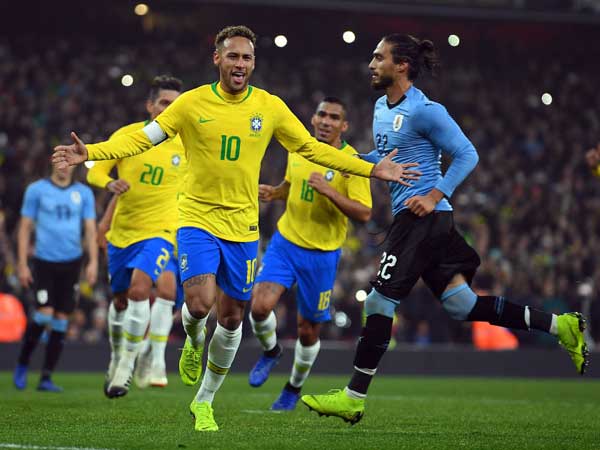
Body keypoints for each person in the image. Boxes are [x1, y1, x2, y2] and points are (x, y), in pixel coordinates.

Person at [52, 25, 420, 432]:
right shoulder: (191, 104)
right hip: (196, 219)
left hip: (243, 228)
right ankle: (192, 340)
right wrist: (93, 153)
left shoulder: (270, 107)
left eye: (246, 58)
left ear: (253, 63)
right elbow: (143, 139)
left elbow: (312, 149)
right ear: (217, 59)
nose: (240, 64)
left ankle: (204, 402)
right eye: (232, 56)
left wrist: (372, 168)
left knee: (231, 319)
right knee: (198, 305)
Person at [301, 34, 590, 425]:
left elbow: (468, 153)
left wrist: (435, 194)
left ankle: (353, 397)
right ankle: (562, 325)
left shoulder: (427, 110)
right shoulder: (379, 107)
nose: (370, 64)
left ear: (401, 65)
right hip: (422, 220)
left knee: (377, 303)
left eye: (378, 57)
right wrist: (350, 157)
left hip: (424, 217)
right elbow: (384, 160)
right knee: (462, 305)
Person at [248, 97, 373, 410]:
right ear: (313, 119)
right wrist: (275, 193)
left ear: (343, 126)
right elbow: (292, 185)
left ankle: (294, 386)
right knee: (260, 308)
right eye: (322, 114)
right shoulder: (299, 147)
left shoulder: (350, 163)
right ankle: (271, 350)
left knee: (308, 330)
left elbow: (364, 213)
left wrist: (329, 191)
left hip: (321, 255)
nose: (326, 121)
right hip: (286, 242)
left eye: (334, 117)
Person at [87, 75, 186, 397]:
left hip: (162, 232)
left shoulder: (187, 143)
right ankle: (118, 357)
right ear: (150, 105)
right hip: (123, 233)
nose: (169, 110)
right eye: (164, 103)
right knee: (119, 300)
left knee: (141, 289)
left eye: (175, 105)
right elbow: (95, 169)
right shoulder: (129, 136)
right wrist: (109, 184)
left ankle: (130, 365)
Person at [13, 163, 97, 392]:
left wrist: (93, 262)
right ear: (51, 163)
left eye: (67, 162)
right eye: (59, 161)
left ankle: (46, 377)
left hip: (72, 263)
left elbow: (90, 230)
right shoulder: (37, 190)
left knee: (61, 319)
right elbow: (25, 228)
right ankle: (22, 364)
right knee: (44, 314)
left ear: (73, 166)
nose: (63, 167)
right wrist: (22, 264)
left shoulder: (84, 193)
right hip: (44, 261)